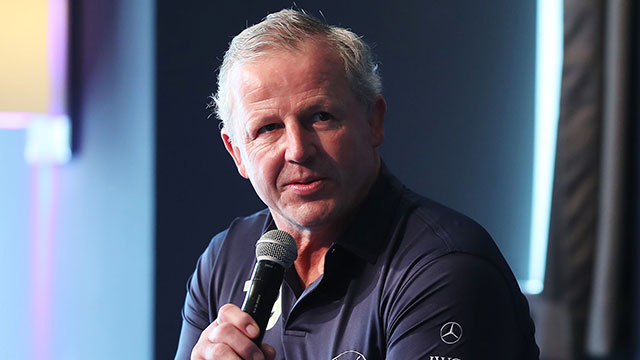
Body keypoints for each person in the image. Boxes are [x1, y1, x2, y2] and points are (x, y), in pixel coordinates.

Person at [176, 9, 539, 360]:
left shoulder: (445, 268)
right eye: (268, 128)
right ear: (237, 153)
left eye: (321, 117)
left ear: (373, 121)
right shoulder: (224, 258)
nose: (298, 150)